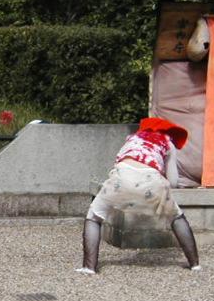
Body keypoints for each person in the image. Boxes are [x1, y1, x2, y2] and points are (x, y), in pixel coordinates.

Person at [77, 117, 200, 274]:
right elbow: (174, 181)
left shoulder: (132, 138)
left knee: (93, 218)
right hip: (151, 179)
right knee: (176, 217)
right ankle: (194, 264)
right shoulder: (167, 143)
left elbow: (118, 161)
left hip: (121, 178)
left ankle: (89, 267)